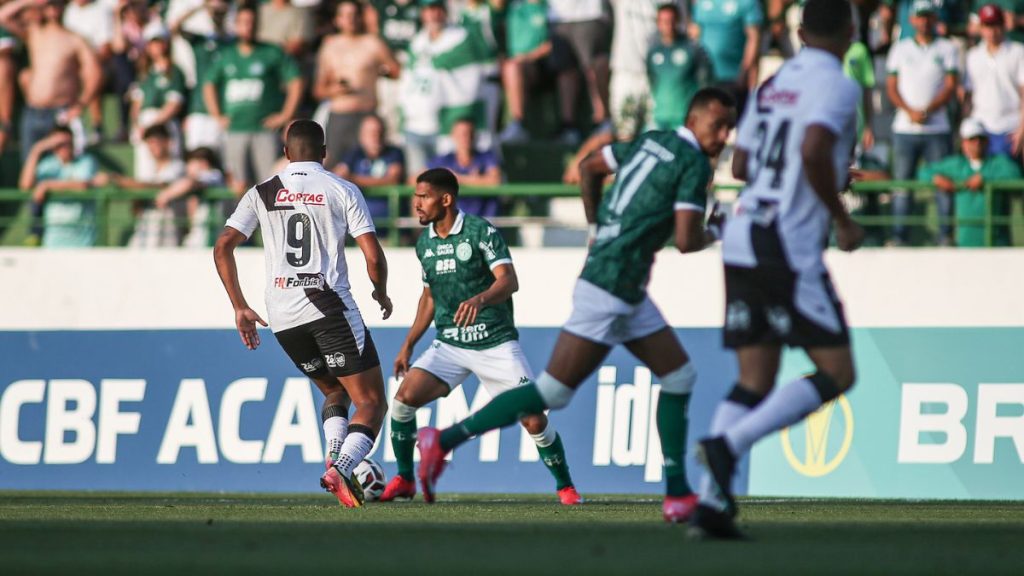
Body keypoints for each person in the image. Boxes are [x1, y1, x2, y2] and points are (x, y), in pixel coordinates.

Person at [414, 88, 736, 520]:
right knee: (551, 392)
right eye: (718, 125)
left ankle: (677, 492)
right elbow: (685, 239)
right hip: (611, 288)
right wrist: (719, 230)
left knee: (679, 375)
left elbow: (589, 167)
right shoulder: (694, 163)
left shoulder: (650, 140)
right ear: (696, 120)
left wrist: (595, 226)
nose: (723, 135)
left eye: (729, 127)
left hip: (625, 286)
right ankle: (446, 440)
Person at [689, 0, 864, 540]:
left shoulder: (773, 82)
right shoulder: (839, 84)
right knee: (838, 372)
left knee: (755, 379)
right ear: (851, 31)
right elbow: (813, 148)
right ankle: (727, 447)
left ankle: (711, 505)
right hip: (787, 244)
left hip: (743, 235)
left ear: (801, 31)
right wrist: (840, 214)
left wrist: (816, 169)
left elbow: (741, 165)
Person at [213, 119, 393, 508]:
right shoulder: (341, 188)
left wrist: (239, 306)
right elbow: (372, 254)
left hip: (282, 315)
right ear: (324, 152)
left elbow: (223, 245)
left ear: (286, 153)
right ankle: (342, 467)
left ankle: (333, 453)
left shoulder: (262, 191)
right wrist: (380, 290)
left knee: (333, 388)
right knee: (373, 402)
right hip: (327, 306)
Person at [378, 167, 582, 505]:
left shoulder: (479, 231)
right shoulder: (425, 242)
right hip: (450, 345)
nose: (416, 204)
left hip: (495, 343)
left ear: (446, 199)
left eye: (424, 197)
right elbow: (428, 296)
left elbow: (509, 280)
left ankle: (565, 486)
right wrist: (408, 345)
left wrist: (480, 298)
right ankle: (405, 478)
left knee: (534, 419)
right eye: (415, 197)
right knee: (403, 400)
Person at [204, 4, 304, 196]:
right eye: (242, 22)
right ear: (235, 25)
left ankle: (269, 226)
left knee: (268, 185)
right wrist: (217, 115)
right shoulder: (226, 54)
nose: (247, 27)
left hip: (264, 129)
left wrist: (286, 114)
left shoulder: (271, 52)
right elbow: (209, 84)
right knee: (238, 186)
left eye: (251, 22)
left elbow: (295, 80)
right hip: (235, 129)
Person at [885, 0, 959, 245]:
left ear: (935, 19)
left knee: (942, 183)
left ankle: (944, 235)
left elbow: (950, 85)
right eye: (920, 16)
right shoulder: (900, 48)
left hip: (937, 127)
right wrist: (909, 111)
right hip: (905, 128)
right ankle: (899, 236)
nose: (925, 21)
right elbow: (891, 86)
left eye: (929, 16)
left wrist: (928, 110)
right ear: (912, 20)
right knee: (902, 186)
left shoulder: (947, 48)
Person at [0, 0, 101, 161]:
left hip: (60, 113)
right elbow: (3, 16)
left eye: (57, 3)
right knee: (29, 166)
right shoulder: (34, 33)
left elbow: (95, 73)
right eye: (49, 4)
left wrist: (81, 103)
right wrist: (33, 2)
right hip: (33, 112)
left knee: (64, 165)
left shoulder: (75, 40)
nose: (53, 8)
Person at [400, 0, 490, 176]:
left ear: (445, 12)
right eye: (428, 10)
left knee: (446, 181)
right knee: (419, 183)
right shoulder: (418, 41)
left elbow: (468, 80)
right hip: (417, 123)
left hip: (449, 124)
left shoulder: (462, 38)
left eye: (437, 9)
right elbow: (409, 81)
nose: (433, 15)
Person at [314, 0, 399, 169]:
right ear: (337, 20)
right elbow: (318, 89)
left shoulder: (373, 43)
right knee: (335, 167)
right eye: (345, 15)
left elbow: (397, 71)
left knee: (368, 166)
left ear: (360, 17)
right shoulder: (330, 46)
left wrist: (378, 72)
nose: (350, 19)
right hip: (339, 116)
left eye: (353, 15)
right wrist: (334, 90)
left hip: (366, 115)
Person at [920, 118, 1022, 247]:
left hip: (997, 242)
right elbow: (924, 172)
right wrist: (936, 178)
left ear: (987, 142)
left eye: (981, 139)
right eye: (972, 139)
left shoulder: (999, 163)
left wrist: (985, 178)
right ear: (963, 143)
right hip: (966, 243)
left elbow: (1016, 176)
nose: (977, 143)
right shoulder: (957, 164)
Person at [19, 125, 103, 247]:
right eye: (58, 144)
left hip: (83, 243)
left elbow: (82, 185)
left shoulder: (86, 161)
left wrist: (47, 185)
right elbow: (25, 186)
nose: (63, 148)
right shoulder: (48, 165)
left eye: (66, 143)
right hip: (53, 242)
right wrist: (36, 150)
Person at [108, 124, 189, 247]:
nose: (152, 146)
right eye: (149, 142)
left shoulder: (177, 167)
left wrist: (118, 180)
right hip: (145, 232)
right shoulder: (149, 171)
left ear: (167, 142)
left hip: (168, 233)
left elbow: (158, 186)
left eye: (156, 142)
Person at [171, 0, 233, 152]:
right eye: (215, 13)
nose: (217, 16)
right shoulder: (201, 41)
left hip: (225, 109)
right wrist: (201, 6)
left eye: (220, 13)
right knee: (196, 155)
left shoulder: (232, 43)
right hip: (199, 109)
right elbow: (175, 28)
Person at [546, 0, 611, 145]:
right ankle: (568, 125)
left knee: (592, 68)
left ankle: (602, 121)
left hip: (589, 14)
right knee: (565, 70)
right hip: (558, 17)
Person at [965, 4, 1024, 159]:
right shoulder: (973, 55)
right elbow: (968, 96)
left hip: (1010, 128)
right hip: (980, 129)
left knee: (1008, 177)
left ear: (1003, 25)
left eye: (995, 25)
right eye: (987, 25)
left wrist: (1021, 130)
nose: (991, 31)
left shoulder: (1018, 51)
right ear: (981, 28)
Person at [130, 22, 187, 182]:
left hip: (165, 125)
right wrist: (136, 125)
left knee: (170, 168)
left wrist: (151, 126)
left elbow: (174, 104)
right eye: (153, 42)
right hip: (144, 123)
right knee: (144, 170)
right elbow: (137, 104)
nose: (157, 46)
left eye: (160, 41)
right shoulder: (145, 74)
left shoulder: (175, 72)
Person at [690, 0, 763, 116]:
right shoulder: (700, 2)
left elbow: (754, 38)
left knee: (729, 123)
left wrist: (745, 70)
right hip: (705, 77)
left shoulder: (747, 2)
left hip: (733, 77)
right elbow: (694, 33)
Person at [648, 4, 711, 131]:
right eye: (664, 21)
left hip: (684, 118)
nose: (668, 25)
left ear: (678, 21)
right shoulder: (653, 52)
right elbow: (652, 80)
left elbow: (705, 81)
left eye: (672, 21)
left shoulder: (692, 49)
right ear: (658, 23)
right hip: (660, 117)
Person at [335, 114, 405, 226]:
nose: (376, 136)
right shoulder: (354, 154)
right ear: (361, 136)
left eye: (379, 132)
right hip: (359, 228)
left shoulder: (394, 152)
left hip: (390, 227)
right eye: (370, 133)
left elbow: (392, 180)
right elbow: (338, 176)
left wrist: (354, 180)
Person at [498, 0, 552, 144]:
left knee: (513, 67)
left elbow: (550, 45)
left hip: (541, 65)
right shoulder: (512, 6)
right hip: (514, 64)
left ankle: (517, 122)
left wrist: (526, 58)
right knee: (510, 67)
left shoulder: (549, 7)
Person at [427, 118, 501, 217]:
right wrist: (479, 181)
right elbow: (416, 180)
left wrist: (457, 179)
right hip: (452, 223)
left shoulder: (487, 157)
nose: (466, 137)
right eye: (461, 134)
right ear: (452, 136)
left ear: (475, 136)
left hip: (484, 223)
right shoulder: (444, 160)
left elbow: (495, 181)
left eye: (469, 133)